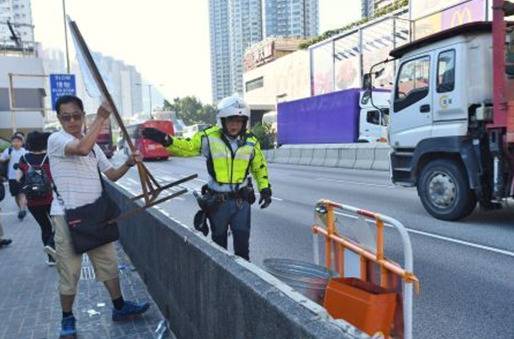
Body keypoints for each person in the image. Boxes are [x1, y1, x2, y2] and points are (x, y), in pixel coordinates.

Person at [48, 95, 149, 338]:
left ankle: (119, 307)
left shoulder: (93, 145)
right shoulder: (56, 139)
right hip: (66, 216)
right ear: (59, 119)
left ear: (83, 116)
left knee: (108, 265)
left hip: (95, 213)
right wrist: (102, 117)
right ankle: (67, 318)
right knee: (69, 272)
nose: (72, 121)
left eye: (76, 115)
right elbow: (80, 149)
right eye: (66, 117)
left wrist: (128, 163)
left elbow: (111, 175)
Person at [142, 94, 272, 261]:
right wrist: (166, 140)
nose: (234, 125)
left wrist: (265, 189)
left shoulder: (251, 142)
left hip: (241, 203)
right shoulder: (209, 137)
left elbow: (259, 167)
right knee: (219, 249)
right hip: (218, 203)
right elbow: (187, 147)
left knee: (242, 250)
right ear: (222, 120)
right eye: (230, 120)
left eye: (239, 121)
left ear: (244, 122)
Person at [17, 131, 56, 266]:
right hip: (50, 199)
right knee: (58, 226)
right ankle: (52, 245)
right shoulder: (49, 157)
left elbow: (18, 179)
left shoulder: (24, 158)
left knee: (45, 227)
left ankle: (51, 258)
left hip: (32, 201)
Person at [0, 133, 28, 220]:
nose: (16, 143)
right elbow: (1, 159)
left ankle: (23, 209)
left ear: (22, 142)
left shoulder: (25, 152)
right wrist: (6, 158)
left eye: (18, 141)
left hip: (23, 176)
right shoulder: (8, 151)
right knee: (16, 195)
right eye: (14, 141)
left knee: (22, 193)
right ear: (11, 142)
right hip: (11, 177)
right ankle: (21, 209)